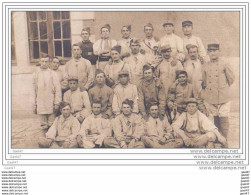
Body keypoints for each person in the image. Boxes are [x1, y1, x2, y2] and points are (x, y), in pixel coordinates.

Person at [201, 43, 235, 140]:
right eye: (210, 51)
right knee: (215, 117)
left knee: (224, 116)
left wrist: (223, 88)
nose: (212, 53)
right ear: (208, 53)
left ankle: (224, 139)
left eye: (215, 51)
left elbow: (231, 79)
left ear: (219, 52)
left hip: (223, 96)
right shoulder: (205, 66)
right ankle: (218, 138)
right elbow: (204, 81)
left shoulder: (225, 64)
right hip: (211, 96)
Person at [33, 55, 62, 130]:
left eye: (46, 61)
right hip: (40, 103)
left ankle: (51, 140)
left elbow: (57, 89)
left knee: (51, 124)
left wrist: (57, 103)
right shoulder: (36, 74)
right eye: (42, 61)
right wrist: (34, 104)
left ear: (49, 63)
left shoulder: (53, 74)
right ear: (40, 62)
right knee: (43, 125)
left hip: (50, 103)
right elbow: (34, 90)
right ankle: (44, 140)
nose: (44, 63)